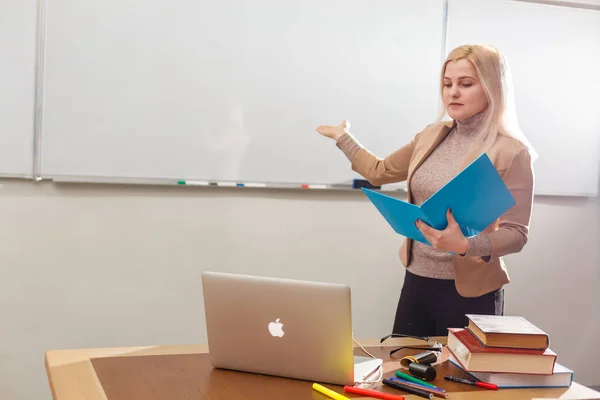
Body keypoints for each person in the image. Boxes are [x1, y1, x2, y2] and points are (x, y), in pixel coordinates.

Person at [316, 44, 537, 337]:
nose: (452, 93)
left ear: (492, 88)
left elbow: (516, 233)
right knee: (401, 371)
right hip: (417, 279)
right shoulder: (432, 135)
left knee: (458, 381)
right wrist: (342, 137)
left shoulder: (510, 152)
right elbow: (379, 171)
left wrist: (465, 245)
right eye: (447, 84)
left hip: (469, 292)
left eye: (466, 84)